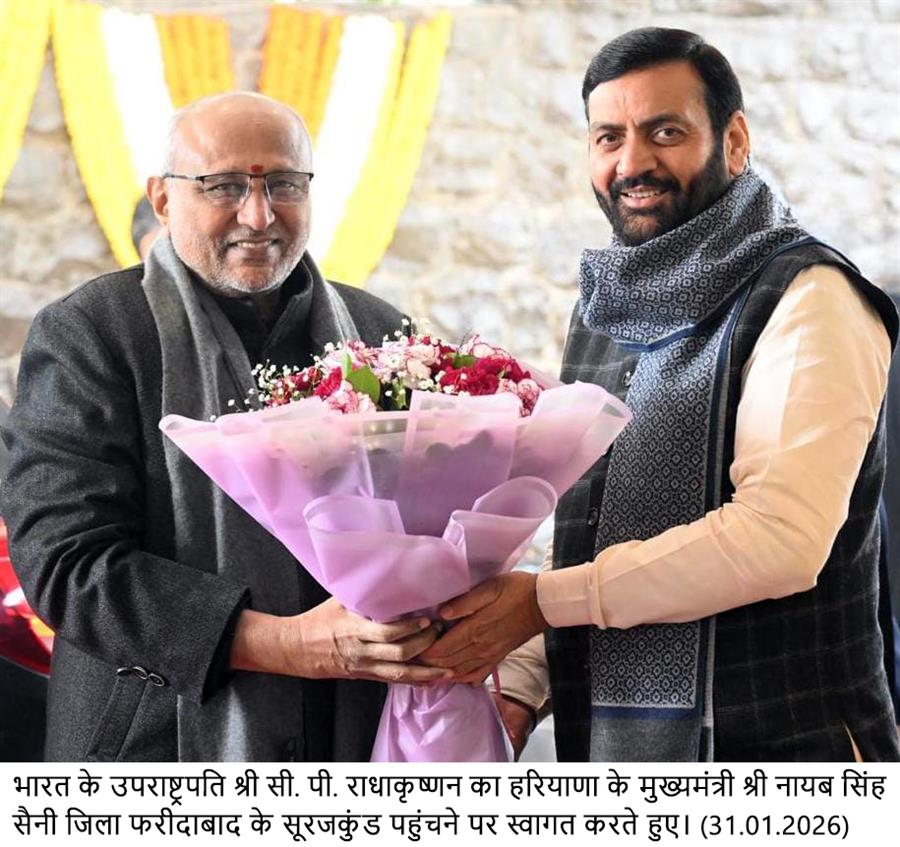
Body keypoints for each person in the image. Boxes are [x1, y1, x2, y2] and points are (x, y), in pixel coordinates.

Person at [422, 28, 900, 761]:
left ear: (733, 141)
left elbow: (781, 540)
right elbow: (589, 527)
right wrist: (520, 680)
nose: (632, 163)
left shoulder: (810, 294)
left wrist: (541, 604)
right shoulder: (605, 305)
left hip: (788, 757)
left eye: (665, 132)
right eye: (608, 138)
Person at [0, 92, 446, 762]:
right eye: (224, 185)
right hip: (152, 745)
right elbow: (67, 564)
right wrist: (286, 644)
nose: (258, 214)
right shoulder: (93, 333)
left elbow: (434, 528)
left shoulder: (382, 335)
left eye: (284, 184)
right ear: (162, 198)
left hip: (355, 733)